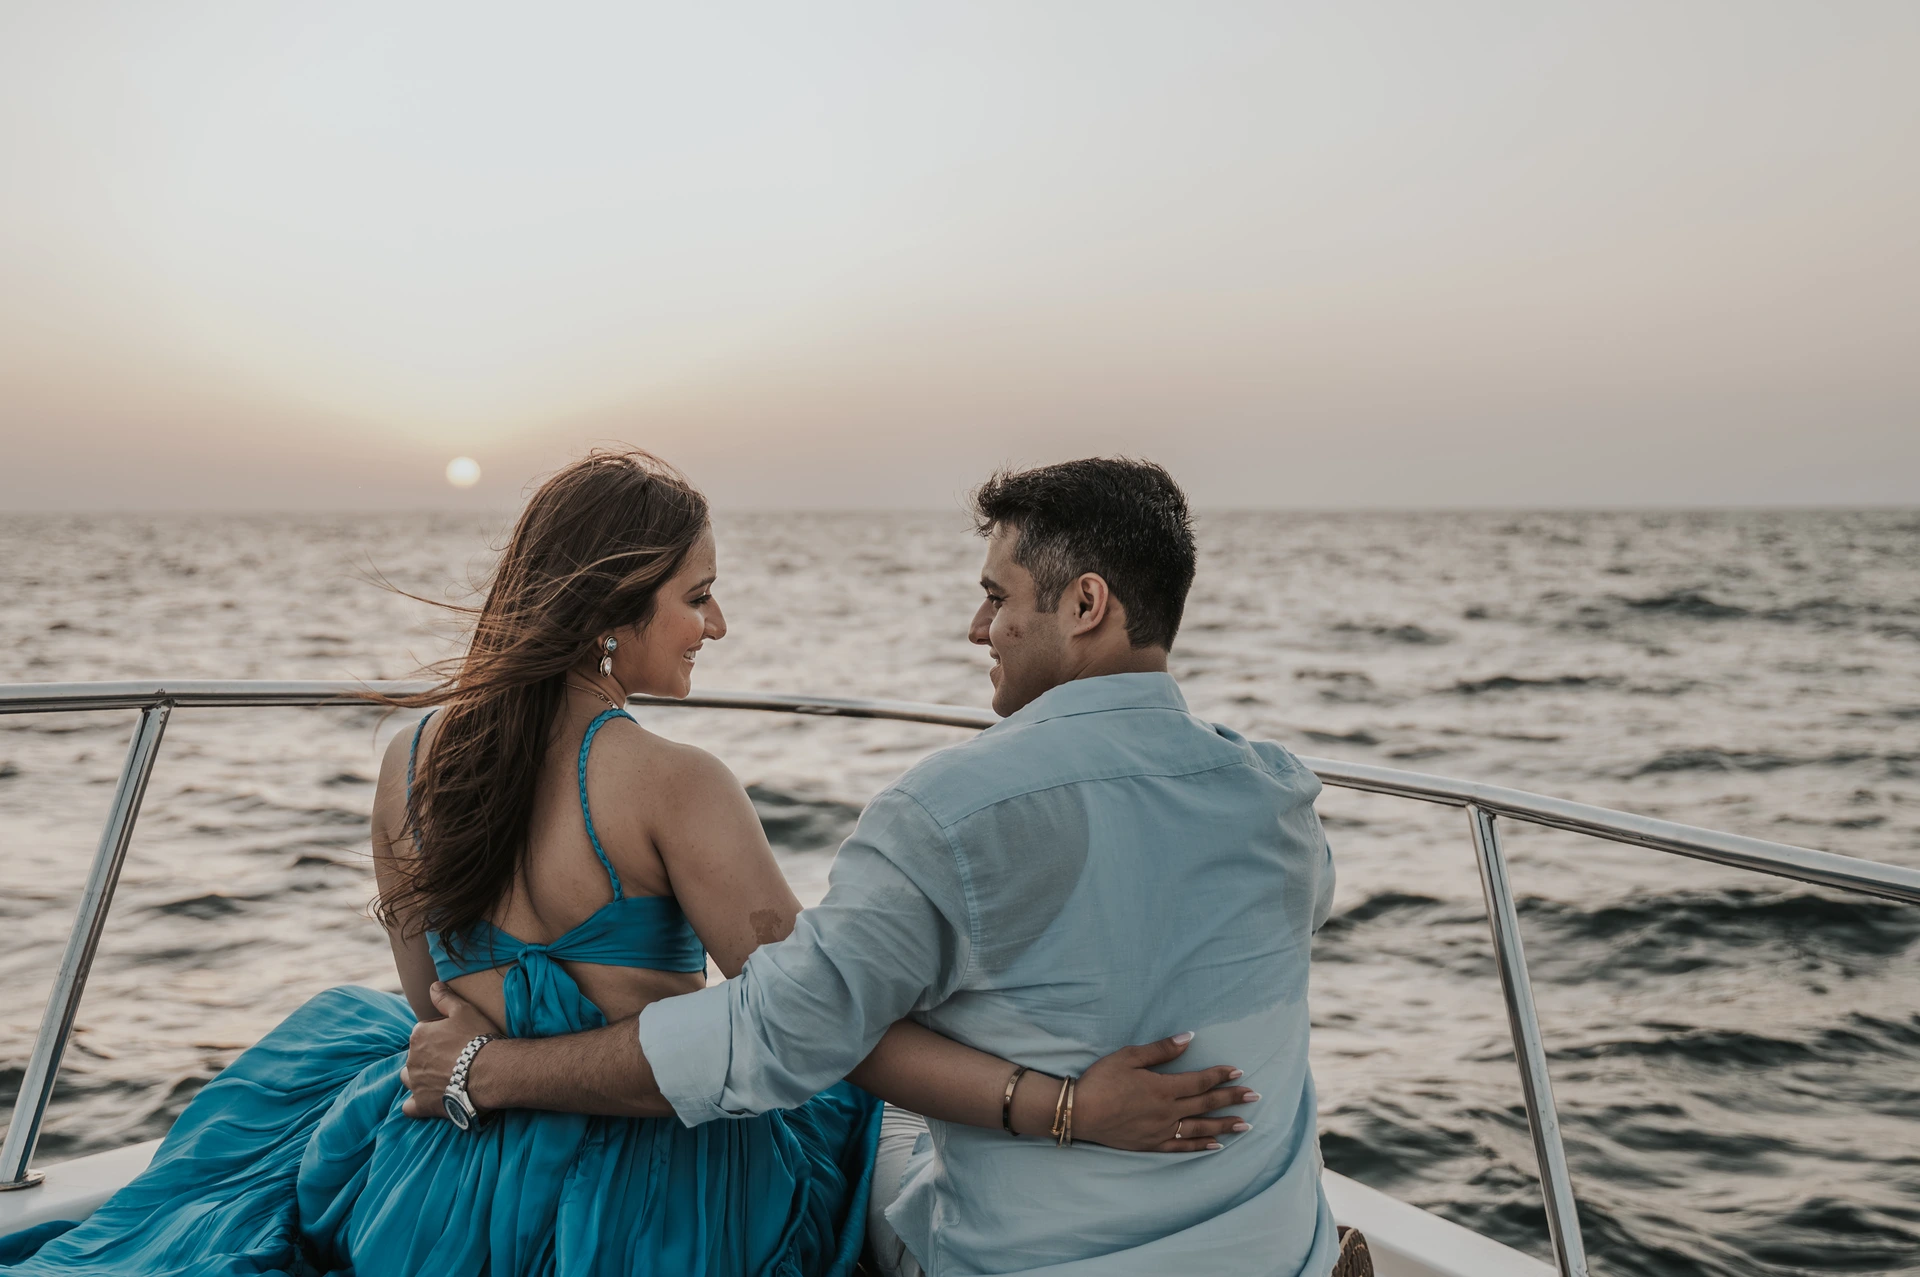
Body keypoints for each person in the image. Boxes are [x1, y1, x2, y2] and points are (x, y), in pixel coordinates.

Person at [0, 451, 1249, 1277]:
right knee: (867, 1109)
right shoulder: (671, 781)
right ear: (616, 605)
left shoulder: (408, 754)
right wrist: (1070, 1102)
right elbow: (818, 1030)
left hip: (430, 1176)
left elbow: (427, 1001)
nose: (719, 625)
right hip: (639, 1187)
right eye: (698, 597)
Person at [406, 457, 1341, 1277]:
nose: (979, 628)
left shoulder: (954, 810)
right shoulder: (1283, 801)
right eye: (700, 596)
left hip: (1031, 1258)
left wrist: (488, 1071)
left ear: (1086, 604)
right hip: (1284, 1251)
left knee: (878, 1120)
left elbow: (776, 1031)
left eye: (997, 596)